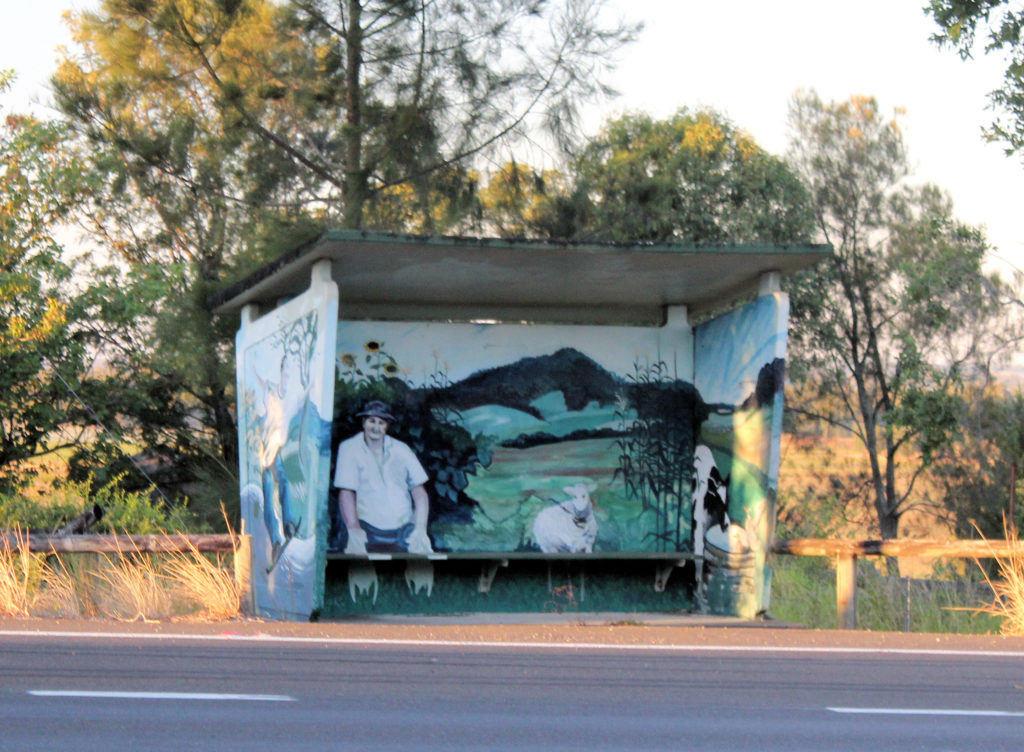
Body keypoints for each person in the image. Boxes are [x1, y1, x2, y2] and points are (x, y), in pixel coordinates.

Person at [334, 400, 432, 554]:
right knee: (359, 571)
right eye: (372, 421)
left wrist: (420, 528)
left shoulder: (402, 449)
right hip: (365, 530)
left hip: (403, 530)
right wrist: (353, 528)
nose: (376, 427)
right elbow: (346, 492)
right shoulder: (348, 448)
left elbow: (419, 491)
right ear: (364, 423)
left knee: (422, 564)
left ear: (387, 426)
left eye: (381, 423)